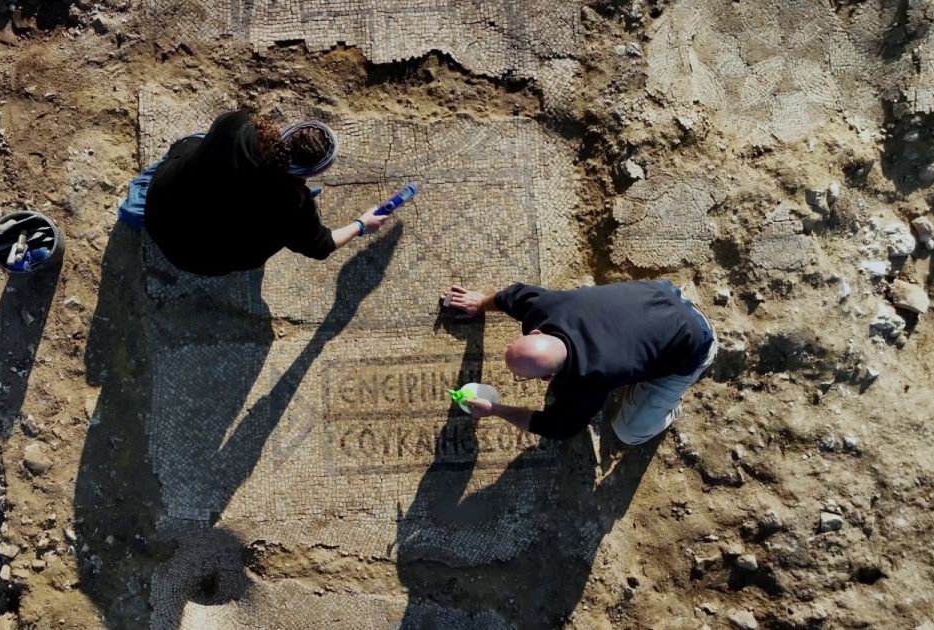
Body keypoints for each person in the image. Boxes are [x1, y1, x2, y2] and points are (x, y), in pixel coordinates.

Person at [117, 109, 391, 276]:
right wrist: (361, 225)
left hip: (159, 212)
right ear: (310, 173)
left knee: (198, 142)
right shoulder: (294, 206)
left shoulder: (234, 127)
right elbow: (322, 246)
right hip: (197, 260)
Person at [442, 280, 717, 445]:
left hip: (696, 342)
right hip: (661, 294)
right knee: (583, 296)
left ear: (547, 377)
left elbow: (558, 428)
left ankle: (668, 405)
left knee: (627, 432)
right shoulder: (546, 307)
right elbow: (512, 295)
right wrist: (480, 303)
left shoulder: (588, 380)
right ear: (536, 332)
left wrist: (495, 409)